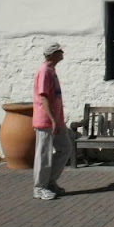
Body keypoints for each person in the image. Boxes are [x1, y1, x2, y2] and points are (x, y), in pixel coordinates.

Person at [32, 42, 71, 200]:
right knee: (44, 154)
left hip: (56, 120)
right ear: (53, 54)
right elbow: (44, 97)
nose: (62, 53)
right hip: (46, 120)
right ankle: (39, 187)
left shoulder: (51, 70)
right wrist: (53, 120)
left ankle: (50, 181)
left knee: (65, 148)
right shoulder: (44, 71)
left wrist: (58, 120)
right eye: (60, 51)